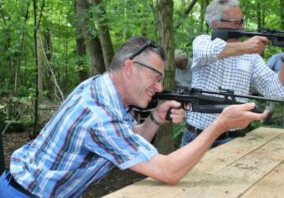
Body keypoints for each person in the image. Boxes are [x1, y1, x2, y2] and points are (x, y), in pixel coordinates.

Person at [0, 36, 268, 197]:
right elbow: (168, 171)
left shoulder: (102, 88)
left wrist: (154, 118)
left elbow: (127, 141)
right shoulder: (98, 114)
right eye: (155, 77)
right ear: (129, 67)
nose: (160, 88)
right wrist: (220, 124)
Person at [181, 0, 284, 148]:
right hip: (197, 137)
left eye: (242, 21)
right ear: (215, 24)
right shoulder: (202, 42)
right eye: (236, 23)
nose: (242, 27)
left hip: (234, 139)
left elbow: (275, 92)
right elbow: (208, 51)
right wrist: (247, 47)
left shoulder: (251, 57)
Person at [265, 52, 284, 128]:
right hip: (275, 87)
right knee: (269, 110)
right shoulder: (276, 57)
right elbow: (266, 69)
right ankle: (262, 125)